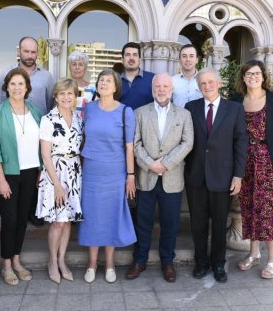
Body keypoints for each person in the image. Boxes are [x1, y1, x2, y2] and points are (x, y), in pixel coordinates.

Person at [127, 73, 194, 282]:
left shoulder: (184, 115)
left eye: (165, 86)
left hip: (171, 178)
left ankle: (167, 261)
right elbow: (135, 143)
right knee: (142, 222)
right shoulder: (139, 113)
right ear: (153, 89)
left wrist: (165, 164)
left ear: (171, 89)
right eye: (158, 86)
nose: (162, 89)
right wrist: (151, 164)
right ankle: (139, 260)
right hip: (146, 177)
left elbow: (187, 143)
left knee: (170, 224)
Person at [185, 67, 248, 283]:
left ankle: (218, 264)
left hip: (224, 177)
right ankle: (201, 262)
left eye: (211, 82)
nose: (207, 86)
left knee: (220, 224)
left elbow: (241, 143)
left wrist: (238, 176)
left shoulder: (234, 109)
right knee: (198, 224)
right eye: (203, 83)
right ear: (198, 86)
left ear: (219, 83)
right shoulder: (190, 107)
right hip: (196, 176)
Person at [78, 69, 136, 284]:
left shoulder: (125, 112)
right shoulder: (88, 109)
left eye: (108, 81)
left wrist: (130, 175)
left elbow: (129, 147)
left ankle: (109, 263)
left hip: (115, 172)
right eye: (101, 80)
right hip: (91, 171)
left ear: (115, 87)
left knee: (111, 217)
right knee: (92, 217)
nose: (103, 83)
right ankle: (92, 263)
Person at [0, 68, 42, 286]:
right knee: (9, 221)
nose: (17, 88)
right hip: (8, 174)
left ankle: (17, 260)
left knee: (21, 220)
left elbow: (41, 145)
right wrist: (0, 180)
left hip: (30, 173)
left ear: (27, 87)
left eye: (21, 84)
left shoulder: (35, 112)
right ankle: (6, 264)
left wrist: (39, 172)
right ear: (6, 87)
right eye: (13, 84)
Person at [0, 36, 54, 226]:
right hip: (13, 133)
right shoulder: (6, 73)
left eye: (33, 52)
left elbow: (50, 104)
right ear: (19, 51)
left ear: (38, 53)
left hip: (37, 132)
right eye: (26, 51)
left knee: (35, 172)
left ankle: (33, 211)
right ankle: (13, 211)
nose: (30, 55)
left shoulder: (46, 77)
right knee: (15, 172)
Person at [36, 78, 84, 284]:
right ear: (56, 97)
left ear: (75, 96)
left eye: (70, 93)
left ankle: (62, 260)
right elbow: (45, 155)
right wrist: (57, 185)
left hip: (74, 172)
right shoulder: (48, 119)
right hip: (55, 173)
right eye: (62, 93)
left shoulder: (79, 118)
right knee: (57, 222)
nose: (66, 97)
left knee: (67, 222)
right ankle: (52, 262)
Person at [233, 60, 273, 279]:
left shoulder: (272, 99)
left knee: (267, 211)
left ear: (263, 76)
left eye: (257, 73)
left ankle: (271, 260)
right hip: (243, 161)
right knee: (248, 208)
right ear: (243, 77)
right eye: (249, 73)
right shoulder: (237, 100)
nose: (253, 77)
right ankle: (254, 253)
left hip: (267, 161)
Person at [120, 42, 154, 110]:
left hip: (144, 120)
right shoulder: (115, 80)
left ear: (140, 59)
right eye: (127, 55)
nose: (131, 58)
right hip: (120, 120)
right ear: (122, 59)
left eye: (135, 55)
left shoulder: (152, 79)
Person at [68, 50, 96, 116]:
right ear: (70, 68)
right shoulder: (63, 87)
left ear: (85, 69)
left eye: (81, 64)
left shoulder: (93, 89)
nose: (77, 67)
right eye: (74, 64)